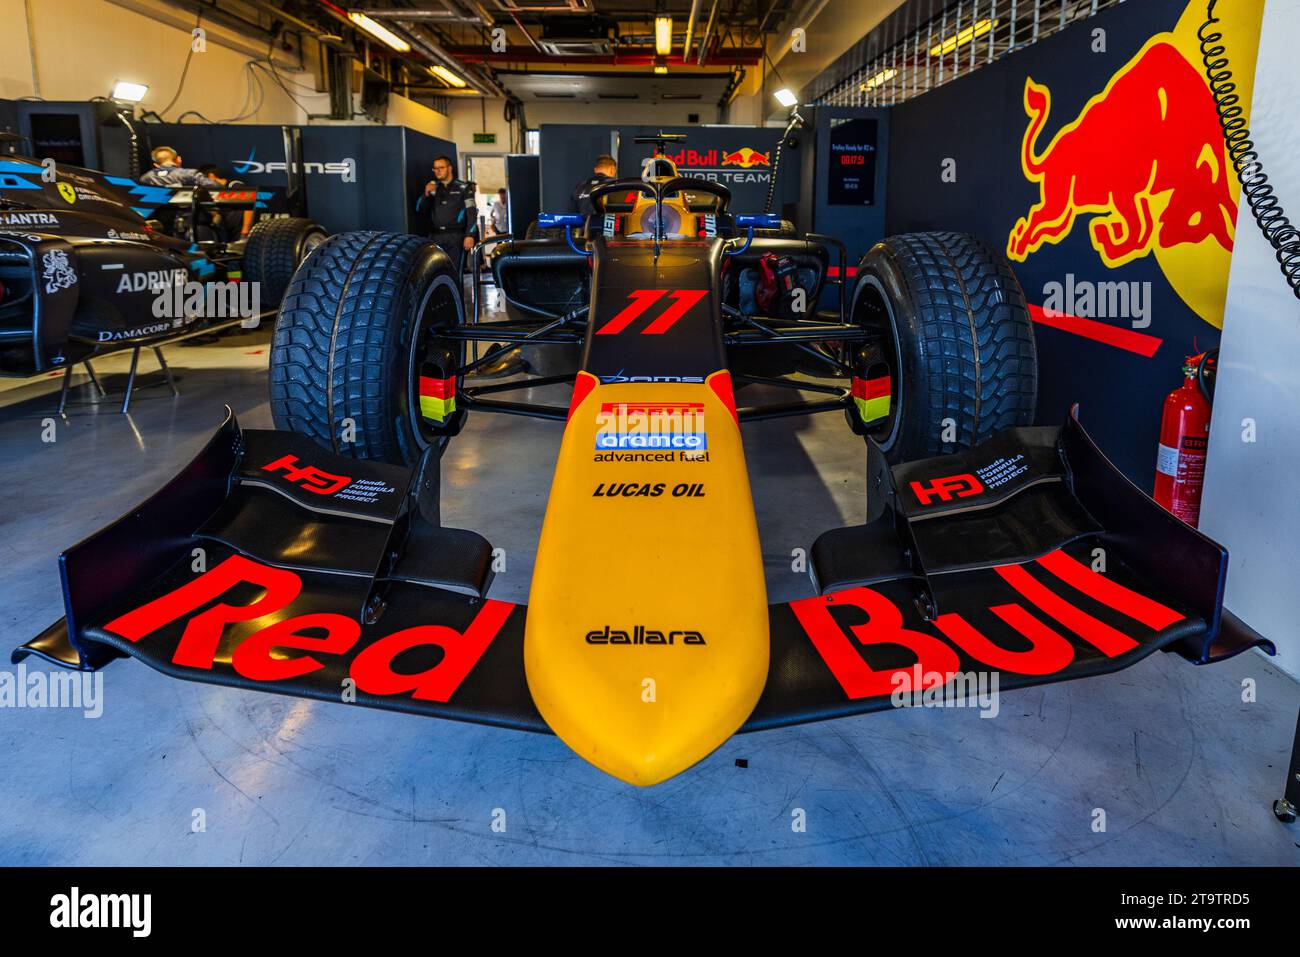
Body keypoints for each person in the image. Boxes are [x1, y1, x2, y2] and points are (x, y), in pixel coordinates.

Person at [413, 155, 477, 272]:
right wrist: (426, 194)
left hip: (455, 237)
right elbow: (420, 210)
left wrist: (470, 235)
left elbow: (472, 212)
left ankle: (456, 291)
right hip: (435, 236)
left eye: (441, 167)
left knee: (454, 271)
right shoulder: (433, 187)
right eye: (435, 168)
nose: (437, 171)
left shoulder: (463, 188)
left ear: (449, 168)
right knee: (435, 271)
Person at [197, 164, 255, 242]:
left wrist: (245, 231)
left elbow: (249, 206)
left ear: (211, 176)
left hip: (239, 233)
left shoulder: (234, 185)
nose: (201, 183)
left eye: (202, 179)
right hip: (224, 234)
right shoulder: (209, 192)